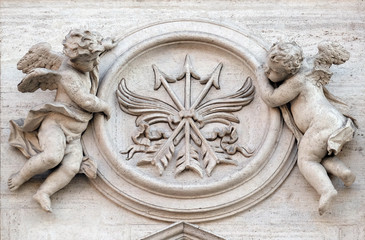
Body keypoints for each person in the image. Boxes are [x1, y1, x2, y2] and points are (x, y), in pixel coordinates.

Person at [8, 29, 113, 212]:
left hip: (75, 134)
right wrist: (104, 106)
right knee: (52, 157)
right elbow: (85, 100)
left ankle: (44, 192)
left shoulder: (86, 59)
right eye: (90, 60)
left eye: (95, 58)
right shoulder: (68, 74)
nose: (96, 63)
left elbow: (92, 51)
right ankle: (20, 176)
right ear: (75, 60)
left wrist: (104, 46)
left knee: (71, 167)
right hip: (56, 125)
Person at [256, 41, 356, 215]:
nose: (267, 71)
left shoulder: (296, 82)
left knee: (306, 161)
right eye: (266, 67)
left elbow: (272, 99)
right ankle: (343, 172)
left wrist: (259, 77)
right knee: (317, 156)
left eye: (273, 72)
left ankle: (326, 190)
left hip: (320, 124)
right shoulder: (306, 69)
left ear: (288, 72)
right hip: (333, 121)